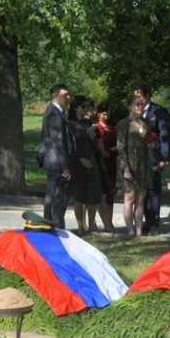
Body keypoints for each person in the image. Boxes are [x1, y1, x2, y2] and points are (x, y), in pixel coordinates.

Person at [135, 83, 170, 236]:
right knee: (142, 191)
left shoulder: (159, 111)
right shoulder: (135, 111)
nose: (137, 99)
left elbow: (164, 134)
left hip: (153, 155)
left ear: (148, 96)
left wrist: (164, 156)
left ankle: (154, 223)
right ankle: (147, 221)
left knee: (154, 190)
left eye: (140, 96)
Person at [38, 84, 75, 229]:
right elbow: (58, 141)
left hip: (54, 162)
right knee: (58, 199)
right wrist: (65, 167)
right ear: (55, 96)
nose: (68, 97)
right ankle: (57, 230)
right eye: (65, 95)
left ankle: (49, 229)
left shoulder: (56, 112)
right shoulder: (54, 113)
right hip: (57, 164)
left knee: (51, 198)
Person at [117, 95, 153, 236]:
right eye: (137, 105)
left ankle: (139, 231)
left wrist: (152, 144)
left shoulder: (145, 123)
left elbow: (149, 141)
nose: (140, 107)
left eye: (141, 105)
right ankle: (130, 230)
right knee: (130, 198)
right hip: (130, 164)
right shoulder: (123, 123)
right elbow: (120, 147)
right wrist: (125, 168)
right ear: (130, 107)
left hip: (143, 164)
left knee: (140, 200)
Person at [67, 96, 102, 234]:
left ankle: (92, 225)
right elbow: (69, 146)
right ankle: (81, 226)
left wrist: (93, 138)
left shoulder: (89, 123)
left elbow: (95, 143)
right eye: (83, 107)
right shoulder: (70, 124)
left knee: (93, 195)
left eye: (88, 107)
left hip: (91, 161)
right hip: (77, 163)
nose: (86, 109)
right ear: (75, 107)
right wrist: (80, 159)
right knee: (79, 196)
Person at [96, 101, 117, 233]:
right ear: (98, 113)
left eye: (108, 112)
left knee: (110, 192)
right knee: (101, 193)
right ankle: (103, 222)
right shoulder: (96, 127)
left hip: (112, 161)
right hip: (99, 162)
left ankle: (109, 222)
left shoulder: (114, 127)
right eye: (104, 112)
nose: (107, 115)